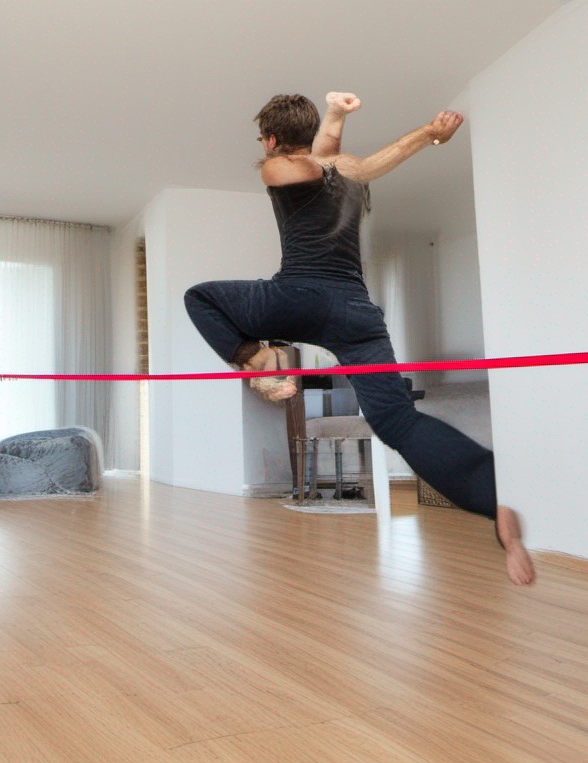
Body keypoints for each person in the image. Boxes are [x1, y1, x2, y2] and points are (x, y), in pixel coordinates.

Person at [183, 92, 534, 586]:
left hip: (301, 297)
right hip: (355, 313)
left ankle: (259, 358)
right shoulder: (344, 170)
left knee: (201, 298)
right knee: (397, 421)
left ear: (271, 138)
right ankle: (493, 499)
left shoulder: (281, 168)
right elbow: (346, 161)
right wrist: (366, 121)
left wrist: (403, 131)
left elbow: (309, 164)